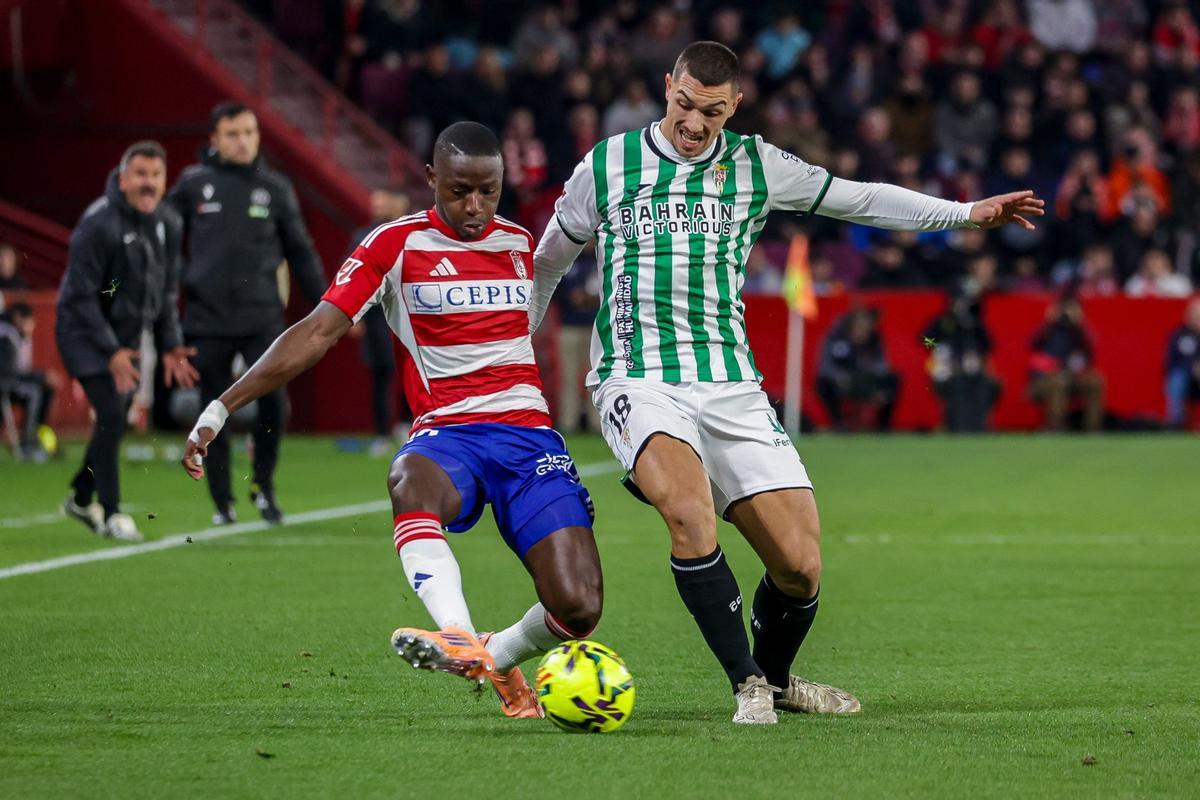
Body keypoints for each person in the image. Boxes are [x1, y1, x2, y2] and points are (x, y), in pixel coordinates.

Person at [529, 41, 1044, 724]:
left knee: (801, 567)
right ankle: (745, 683)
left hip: (731, 384)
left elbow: (858, 199)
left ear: (733, 106)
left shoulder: (756, 164)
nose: (693, 122)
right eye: (683, 104)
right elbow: (548, 261)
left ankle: (774, 679)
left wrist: (964, 212)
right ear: (667, 88)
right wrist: (515, 344)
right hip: (637, 375)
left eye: (711, 111)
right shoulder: (607, 165)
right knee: (688, 514)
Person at [181, 122, 603, 721]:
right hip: (448, 436)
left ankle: (497, 654)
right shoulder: (393, 245)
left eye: (489, 191)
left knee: (578, 608)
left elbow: (517, 331)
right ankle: (456, 632)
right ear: (431, 179)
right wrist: (223, 405)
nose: (475, 207)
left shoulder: (515, 243)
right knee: (409, 479)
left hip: (529, 438)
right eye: (460, 191)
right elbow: (318, 331)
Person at [168, 102, 327, 525]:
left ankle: (262, 485)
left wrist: (331, 304)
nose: (243, 141)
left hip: (261, 317)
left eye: (250, 133)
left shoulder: (275, 188)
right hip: (207, 318)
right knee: (212, 408)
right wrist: (183, 277)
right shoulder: (192, 184)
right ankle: (222, 501)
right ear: (215, 140)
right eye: (234, 133)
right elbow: (164, 238)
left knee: (275, 404)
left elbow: (300, 249)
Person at [56, 140, 198, 540]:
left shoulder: (167, 223)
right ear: (122, 180)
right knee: (113, 415)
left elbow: (166, 292)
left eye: (155, 176)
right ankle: (113, 513)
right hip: (83, 332)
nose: (148, 183)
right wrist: (111, 350)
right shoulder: (97, 224)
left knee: (113, 418)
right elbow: (82, 296)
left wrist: (170, 343)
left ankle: (82, 497)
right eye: (140, 175)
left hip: (126, 340)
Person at [347, 189, 411, 455]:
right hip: (377, 318)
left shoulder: (412, 234)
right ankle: (382, 433)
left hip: (409, 315)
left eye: (384, 200)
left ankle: (409, 425)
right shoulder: (364, 236)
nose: (378, 206)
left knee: (413, 372)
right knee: (381, 376)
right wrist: (354, 314)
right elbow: (350, 277)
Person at [924, 293, 1000, 432]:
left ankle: (979, 423)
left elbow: (988, 344)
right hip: (946, 369)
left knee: (990, 385)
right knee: (955, 385)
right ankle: (953, 423)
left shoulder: (974, 323)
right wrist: (938, 348)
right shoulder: (943, 321)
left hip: (972, 369)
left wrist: (975, 351)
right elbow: (924, 339)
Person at [816, 307, 901, 432]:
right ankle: (838, 423)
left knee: (893, 379)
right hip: (841, 380)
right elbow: (825, 366)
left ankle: (883, 425)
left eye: (866, 330)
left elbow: (882, 364)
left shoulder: (874, 340)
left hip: (865, 379)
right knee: (822, 384)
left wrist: (875, 378)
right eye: (860, 328)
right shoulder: (835, 338)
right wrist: (842, 377)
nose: (863, 333)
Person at [1027, 296, 1105, 431]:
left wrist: (1080, 322)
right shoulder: (1049, 330)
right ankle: (1056, 428)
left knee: (1095, 380)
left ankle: (1093, 429)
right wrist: (1049, 321)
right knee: (1058, 382)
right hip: (1044, 379)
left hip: (1072, 377)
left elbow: (1090, 347)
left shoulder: (1078, 332)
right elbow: (1032, 344)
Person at [553, 243, 601, 433]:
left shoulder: (600, 260)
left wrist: (590, 299)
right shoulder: (568, 262)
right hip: (569, 327)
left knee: (596, 378)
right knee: (568, 378)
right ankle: (568, 422)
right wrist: (573, 297)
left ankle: (598, 423)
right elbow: (557, 292)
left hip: (594, 328)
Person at [0, 303, 54, 460]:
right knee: (33, 393)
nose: (31, 327)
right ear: (18, 318)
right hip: (4, 385)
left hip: (10, 384)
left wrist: (41, 378)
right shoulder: (5, 336)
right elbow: (8, 373)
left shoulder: (17, 337)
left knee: (45, 390)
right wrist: (40, 377)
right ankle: (27, 446)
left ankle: (38, 438)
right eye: (30, 322)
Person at [1164, 297, 1200, 429]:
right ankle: (1175, 422)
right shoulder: (1180, 335)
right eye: (1194, 316)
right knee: (1177, 378)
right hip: (1186, 377)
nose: (1197, 319)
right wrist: (1193, 368)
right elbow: (1177, 359)